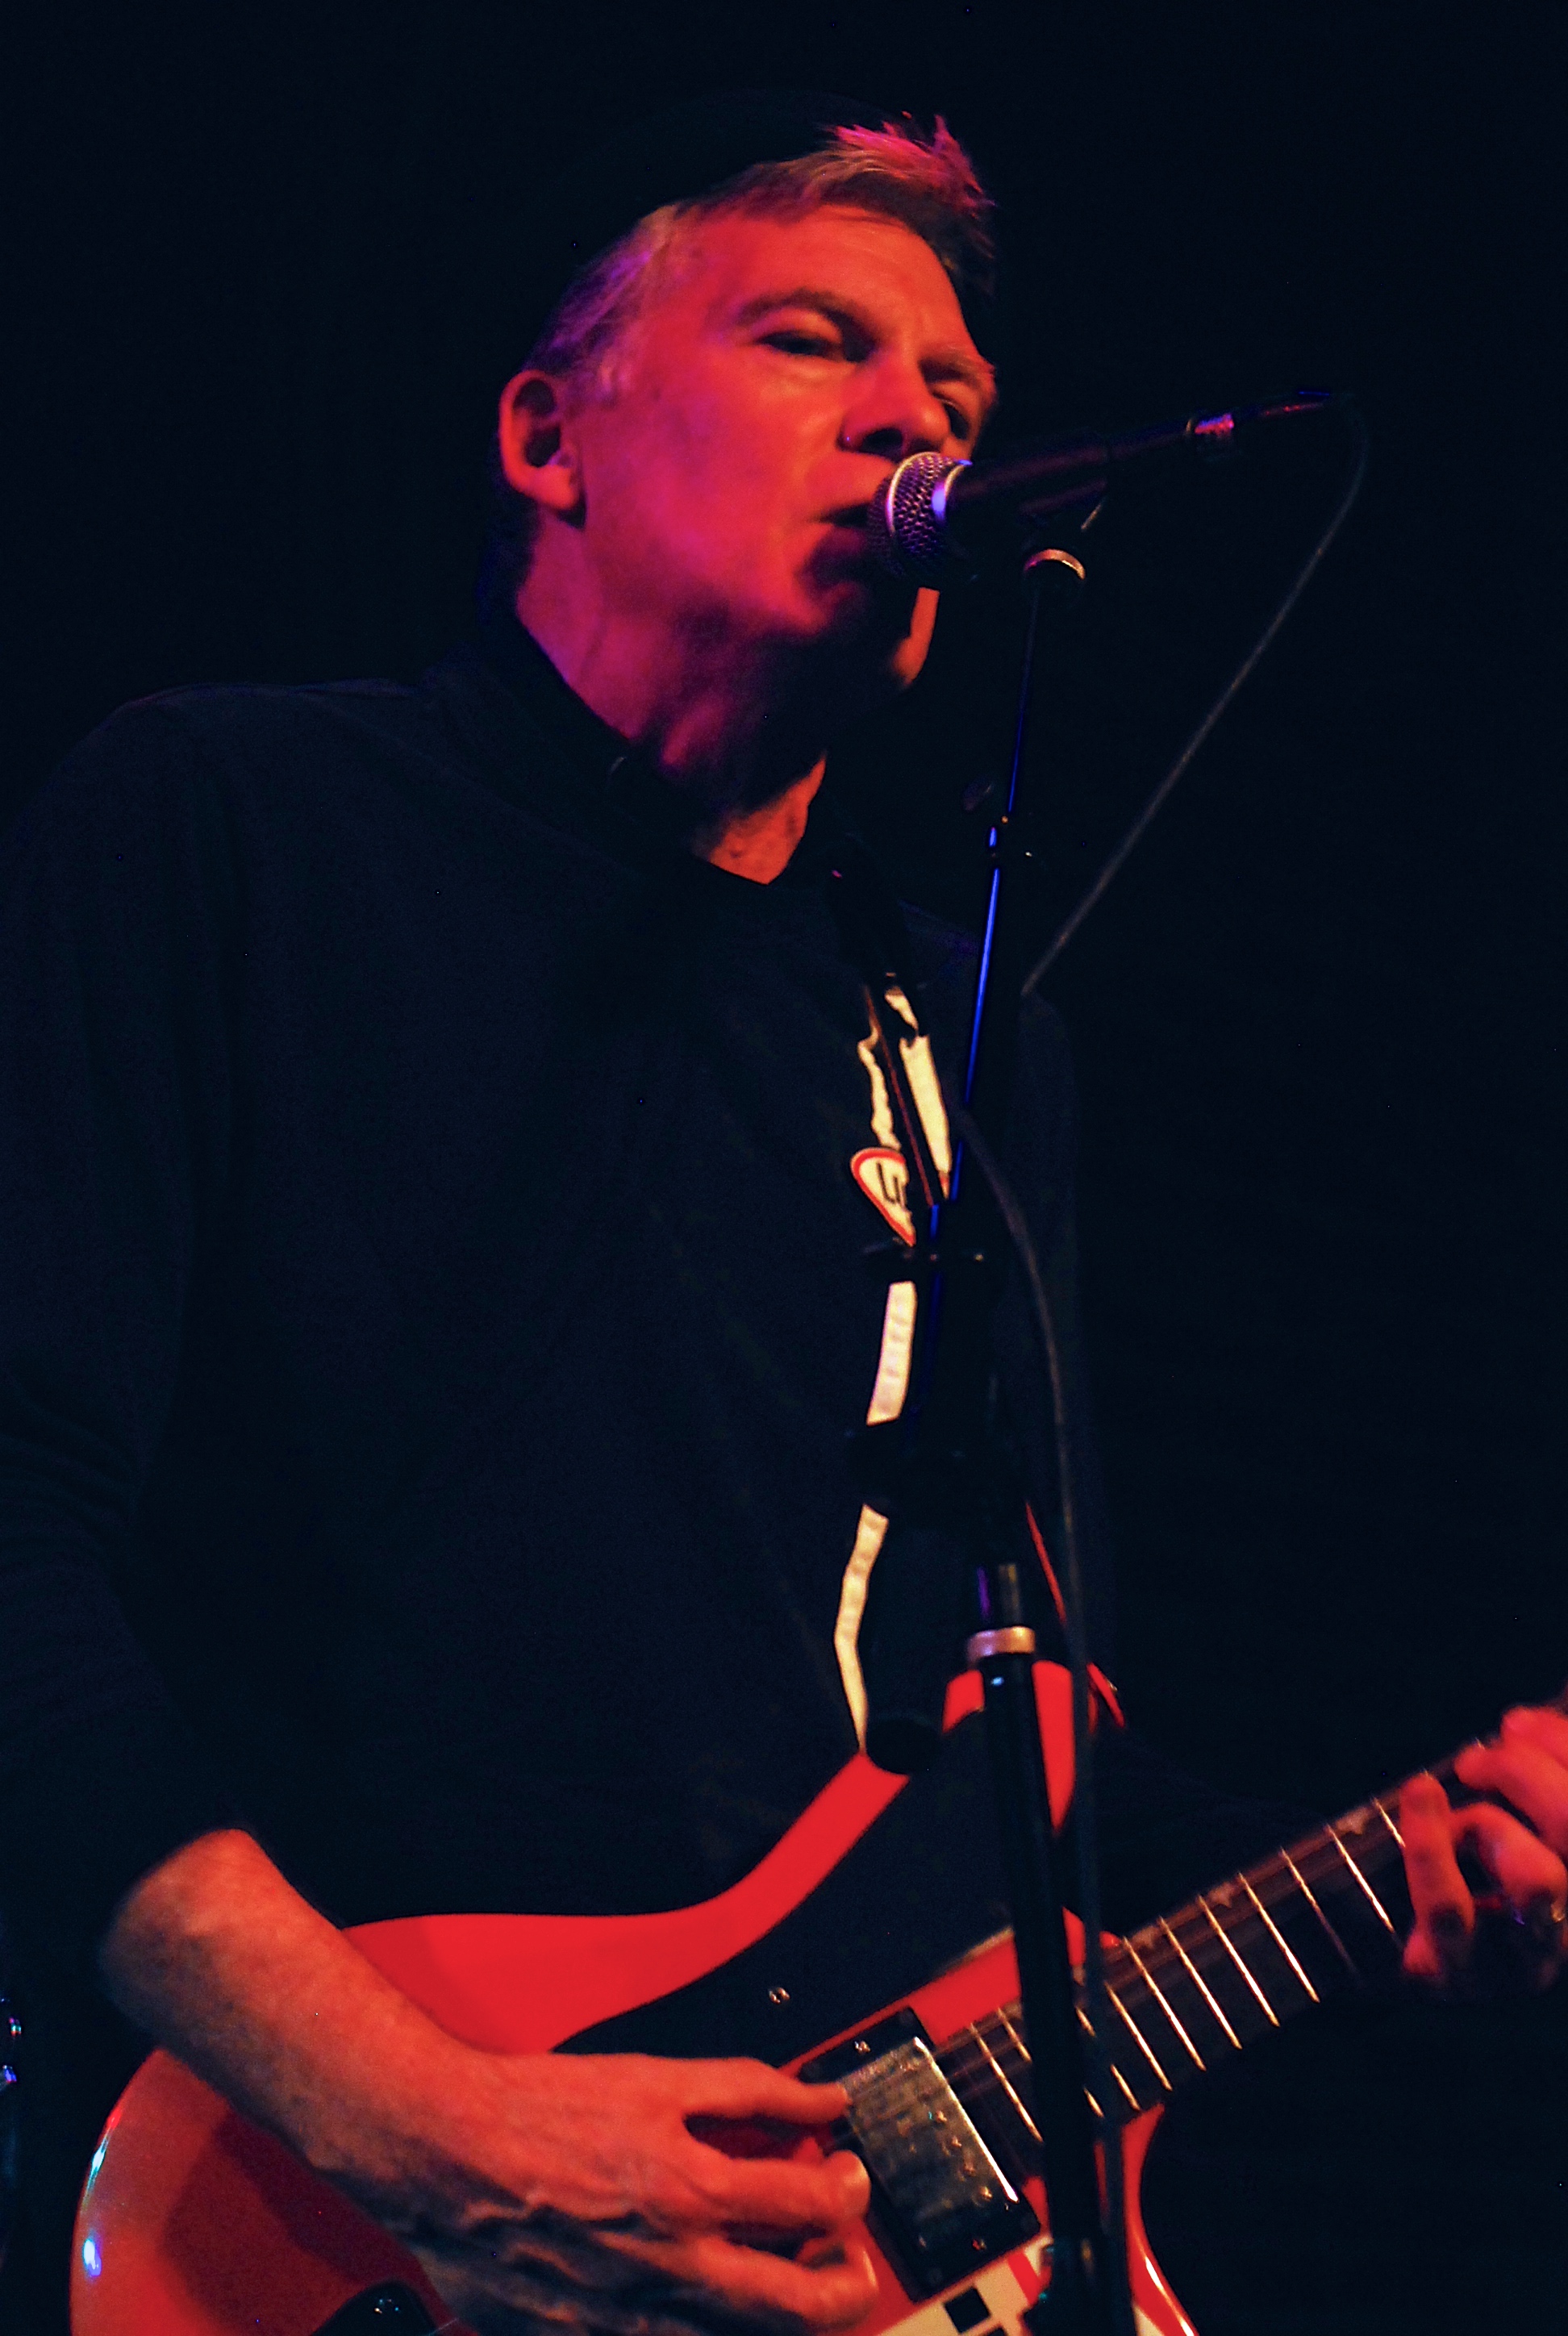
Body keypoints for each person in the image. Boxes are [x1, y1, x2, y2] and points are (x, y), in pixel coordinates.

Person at [1, 94, 1565, 2336]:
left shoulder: (966, 1041)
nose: (917, 419)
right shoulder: (230, 827)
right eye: (816, 340)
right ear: (549, 437)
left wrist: (1413, 1870)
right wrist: (427, 2135)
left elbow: (1022, 1753)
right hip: (299, 2224)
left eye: (959, 395)